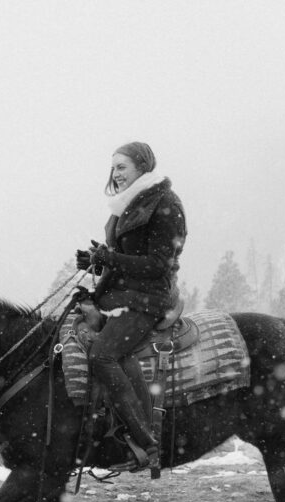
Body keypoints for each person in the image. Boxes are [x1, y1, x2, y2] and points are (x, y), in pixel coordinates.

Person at [75, 142, 186, 472]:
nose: (115, 174)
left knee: (103, 355)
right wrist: (96, 264)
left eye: (121, 167)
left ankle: (147, 441)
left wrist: (109, 258)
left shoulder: (166, 203)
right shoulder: (124, 205)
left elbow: (160, 264)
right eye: (113, 168)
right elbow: (122, 259)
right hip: (122, 295)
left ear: (142, 167)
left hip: (149, 298)